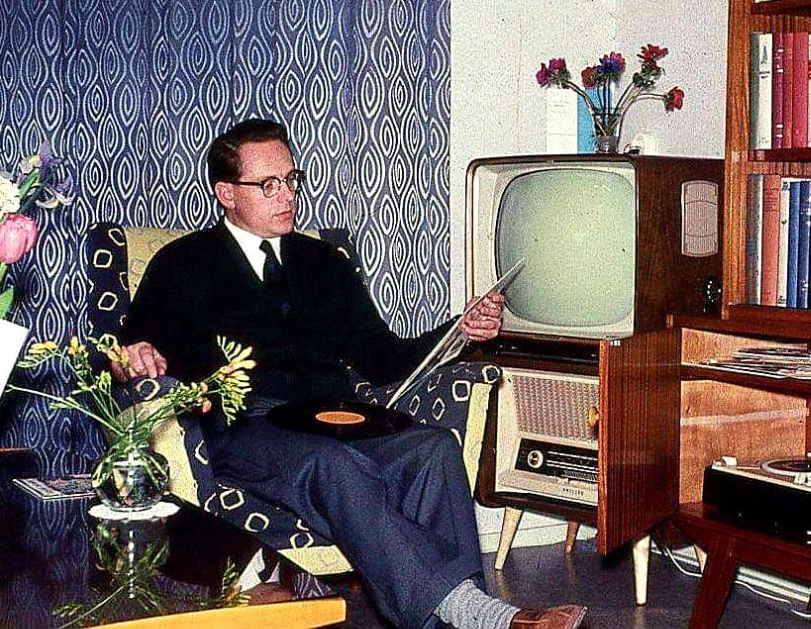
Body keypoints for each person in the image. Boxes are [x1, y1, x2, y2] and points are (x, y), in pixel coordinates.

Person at [112, 118, 586, 629]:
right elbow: (124, 352)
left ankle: (453, 617)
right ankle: (483, 616)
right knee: (331, 464)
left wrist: (460, 330)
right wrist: (134, 354)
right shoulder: (182, 264)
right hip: (245, 429)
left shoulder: (324, 262)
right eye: (268, 184)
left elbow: (382, 356)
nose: (286, 195)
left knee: (432, 448)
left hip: (336, 419)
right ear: (226, 193)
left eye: (291, 180)